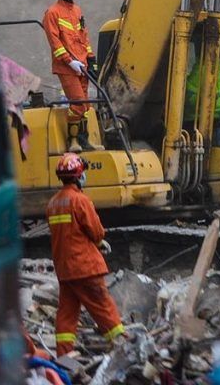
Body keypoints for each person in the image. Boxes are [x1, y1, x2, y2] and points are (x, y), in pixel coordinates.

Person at [48, 153, 125, 357]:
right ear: (79, 175)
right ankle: (124, 348)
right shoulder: (80, 200)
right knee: (103, 307)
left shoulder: (53, 204)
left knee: (66, 314)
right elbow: (96, 231)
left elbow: (68, 234)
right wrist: (100, 241)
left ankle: (64, 356)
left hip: (65, 271)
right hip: (85, 268)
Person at [43, 0, 102, 153]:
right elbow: (55, 42)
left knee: (85, 104)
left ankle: (84, 141)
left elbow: (83, 36)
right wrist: (69, 61)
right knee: (77, 102)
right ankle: (73, 140)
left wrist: (91, 58)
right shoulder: (52, 13)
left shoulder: (77, 11)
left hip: (82, 64)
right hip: (67, 67)